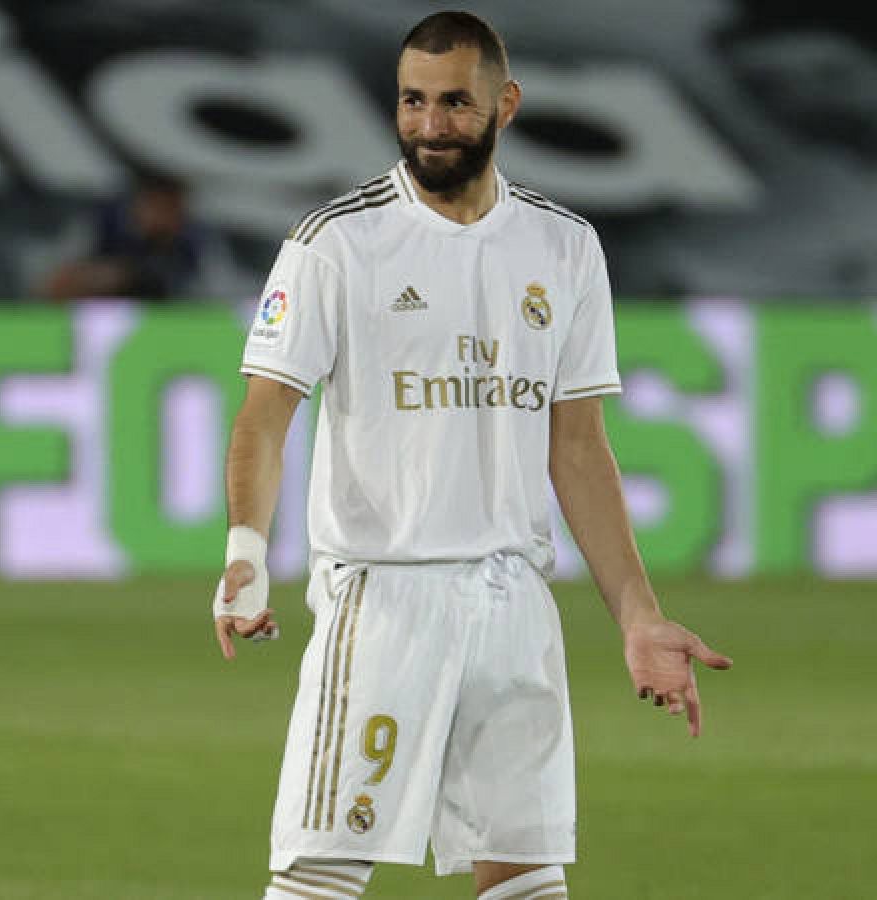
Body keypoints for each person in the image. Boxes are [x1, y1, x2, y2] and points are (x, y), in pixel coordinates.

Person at [212, 12, 732, 900]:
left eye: (455, 103)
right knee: (319, 877)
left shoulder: (564, 248)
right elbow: (264, 416)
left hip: (513, 604)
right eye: (413, 101)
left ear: (507, 104)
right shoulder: (335, 242)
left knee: (525, 878)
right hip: (384, 600)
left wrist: (638, 616)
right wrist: (245, 552)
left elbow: (578, 449)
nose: (430, 124)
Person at [39, 172, 208, 301]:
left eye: (176, 209)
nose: (170, 217)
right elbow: (57, 278)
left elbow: (204, 291)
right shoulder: (102, 223)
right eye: (163, 207)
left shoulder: (190, 239)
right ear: (143, 203)